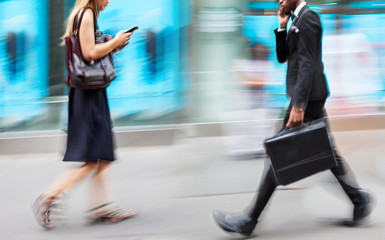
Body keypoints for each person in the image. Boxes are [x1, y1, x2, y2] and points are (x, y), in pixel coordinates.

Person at [212, 0, 374, 237]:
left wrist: (298, 105)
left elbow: (308, 64)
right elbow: (283, 56)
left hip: (306, 99)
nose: (278, 0)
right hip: (310, 96)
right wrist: (282, 27)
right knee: (327, 151)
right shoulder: (298, 19)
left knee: (281, 152)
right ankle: (359, 200)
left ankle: (250, 219)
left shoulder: (309, 18)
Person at [33, 0, 136, 230]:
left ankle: (101, 208)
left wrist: (114, 44)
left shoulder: (83, 14)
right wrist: (115, 42)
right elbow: (89, 54)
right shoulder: (87, 13)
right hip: (88, 95)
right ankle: (49, 196)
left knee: (103, 153)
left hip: (90, 93)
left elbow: (86, 50)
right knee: (93, 157)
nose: (109, 0)